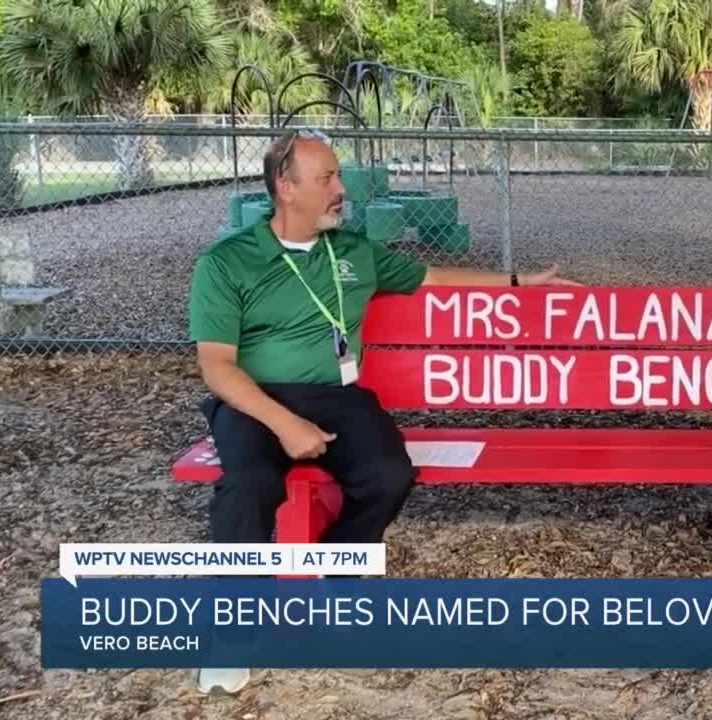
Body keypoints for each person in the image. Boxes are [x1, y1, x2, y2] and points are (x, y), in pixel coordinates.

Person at [186, 129, 579, 694]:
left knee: (389, 474)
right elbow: (218, 367)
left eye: (338, 176)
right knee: (248, 487)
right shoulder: (228, 263)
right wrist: (284, 422)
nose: (341, 189)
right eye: (326, 179)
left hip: (338, 398)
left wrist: (520, 281)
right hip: (252, 399)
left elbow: (434, 277)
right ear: (286, 187)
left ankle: (331, 574)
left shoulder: (352, 252)